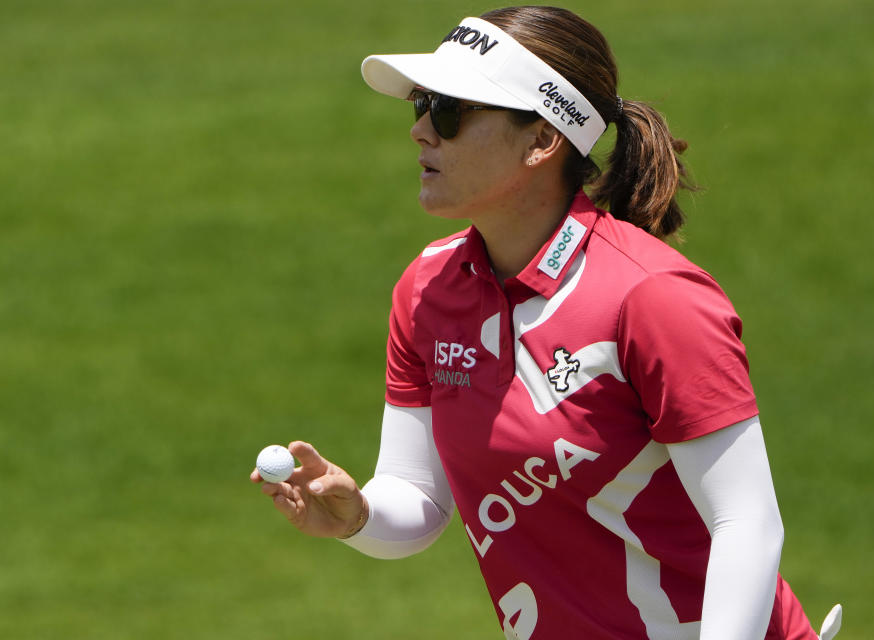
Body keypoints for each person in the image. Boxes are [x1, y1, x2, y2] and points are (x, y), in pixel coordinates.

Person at [251, 6, 842, 640]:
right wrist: (359, 516)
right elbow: (418, 499)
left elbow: (745, 521)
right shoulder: (427, 291)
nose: (421, 131)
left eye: (449, 112)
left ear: (542, 140)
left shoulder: (653, 298)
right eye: (421, 105)